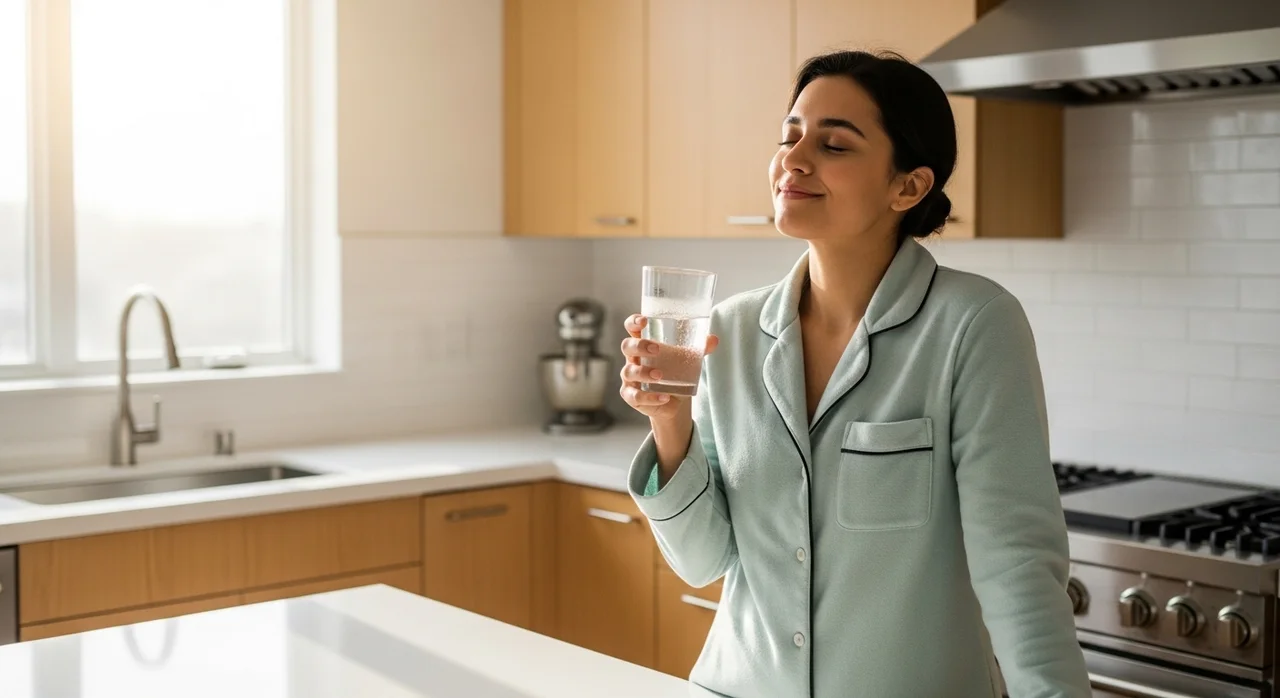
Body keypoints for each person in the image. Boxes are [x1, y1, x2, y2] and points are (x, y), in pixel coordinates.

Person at [617, 50, 1091, 698]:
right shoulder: (727, 332)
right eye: (789, 136)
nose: (794, 158)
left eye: (833, 143)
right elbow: (703, 563)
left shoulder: (973, 325)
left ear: (909, 186)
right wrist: (669, 420)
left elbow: (1016, 566)